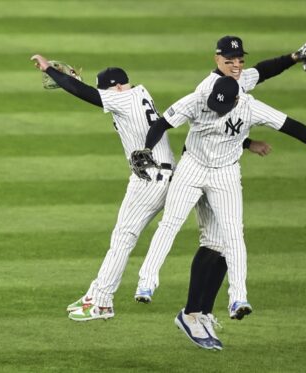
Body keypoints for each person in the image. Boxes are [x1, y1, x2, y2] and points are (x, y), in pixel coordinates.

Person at [30, 54, 269, 322]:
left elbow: (85, 94)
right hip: (170, 175)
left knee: (123, 238)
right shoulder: (139, 93)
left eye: (106, 92)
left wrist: (51, 70)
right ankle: (102, 298)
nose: (105, 99)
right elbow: (91, 92)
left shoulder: (122, 97)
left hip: (149, 178)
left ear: (118, 87)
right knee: (196, 237)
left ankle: (100, 301)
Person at [132, 75, 306, 350]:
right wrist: (147, 147)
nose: (216, 109)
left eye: (223, 106)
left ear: (236, 100)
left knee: (232, 235)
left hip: (226, 174)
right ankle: (146, 284)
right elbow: (161, 123)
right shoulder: (198, 99)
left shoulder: (251, 106)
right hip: (192, 168)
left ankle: (238, 299)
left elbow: (289, 125)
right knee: (169, 223)